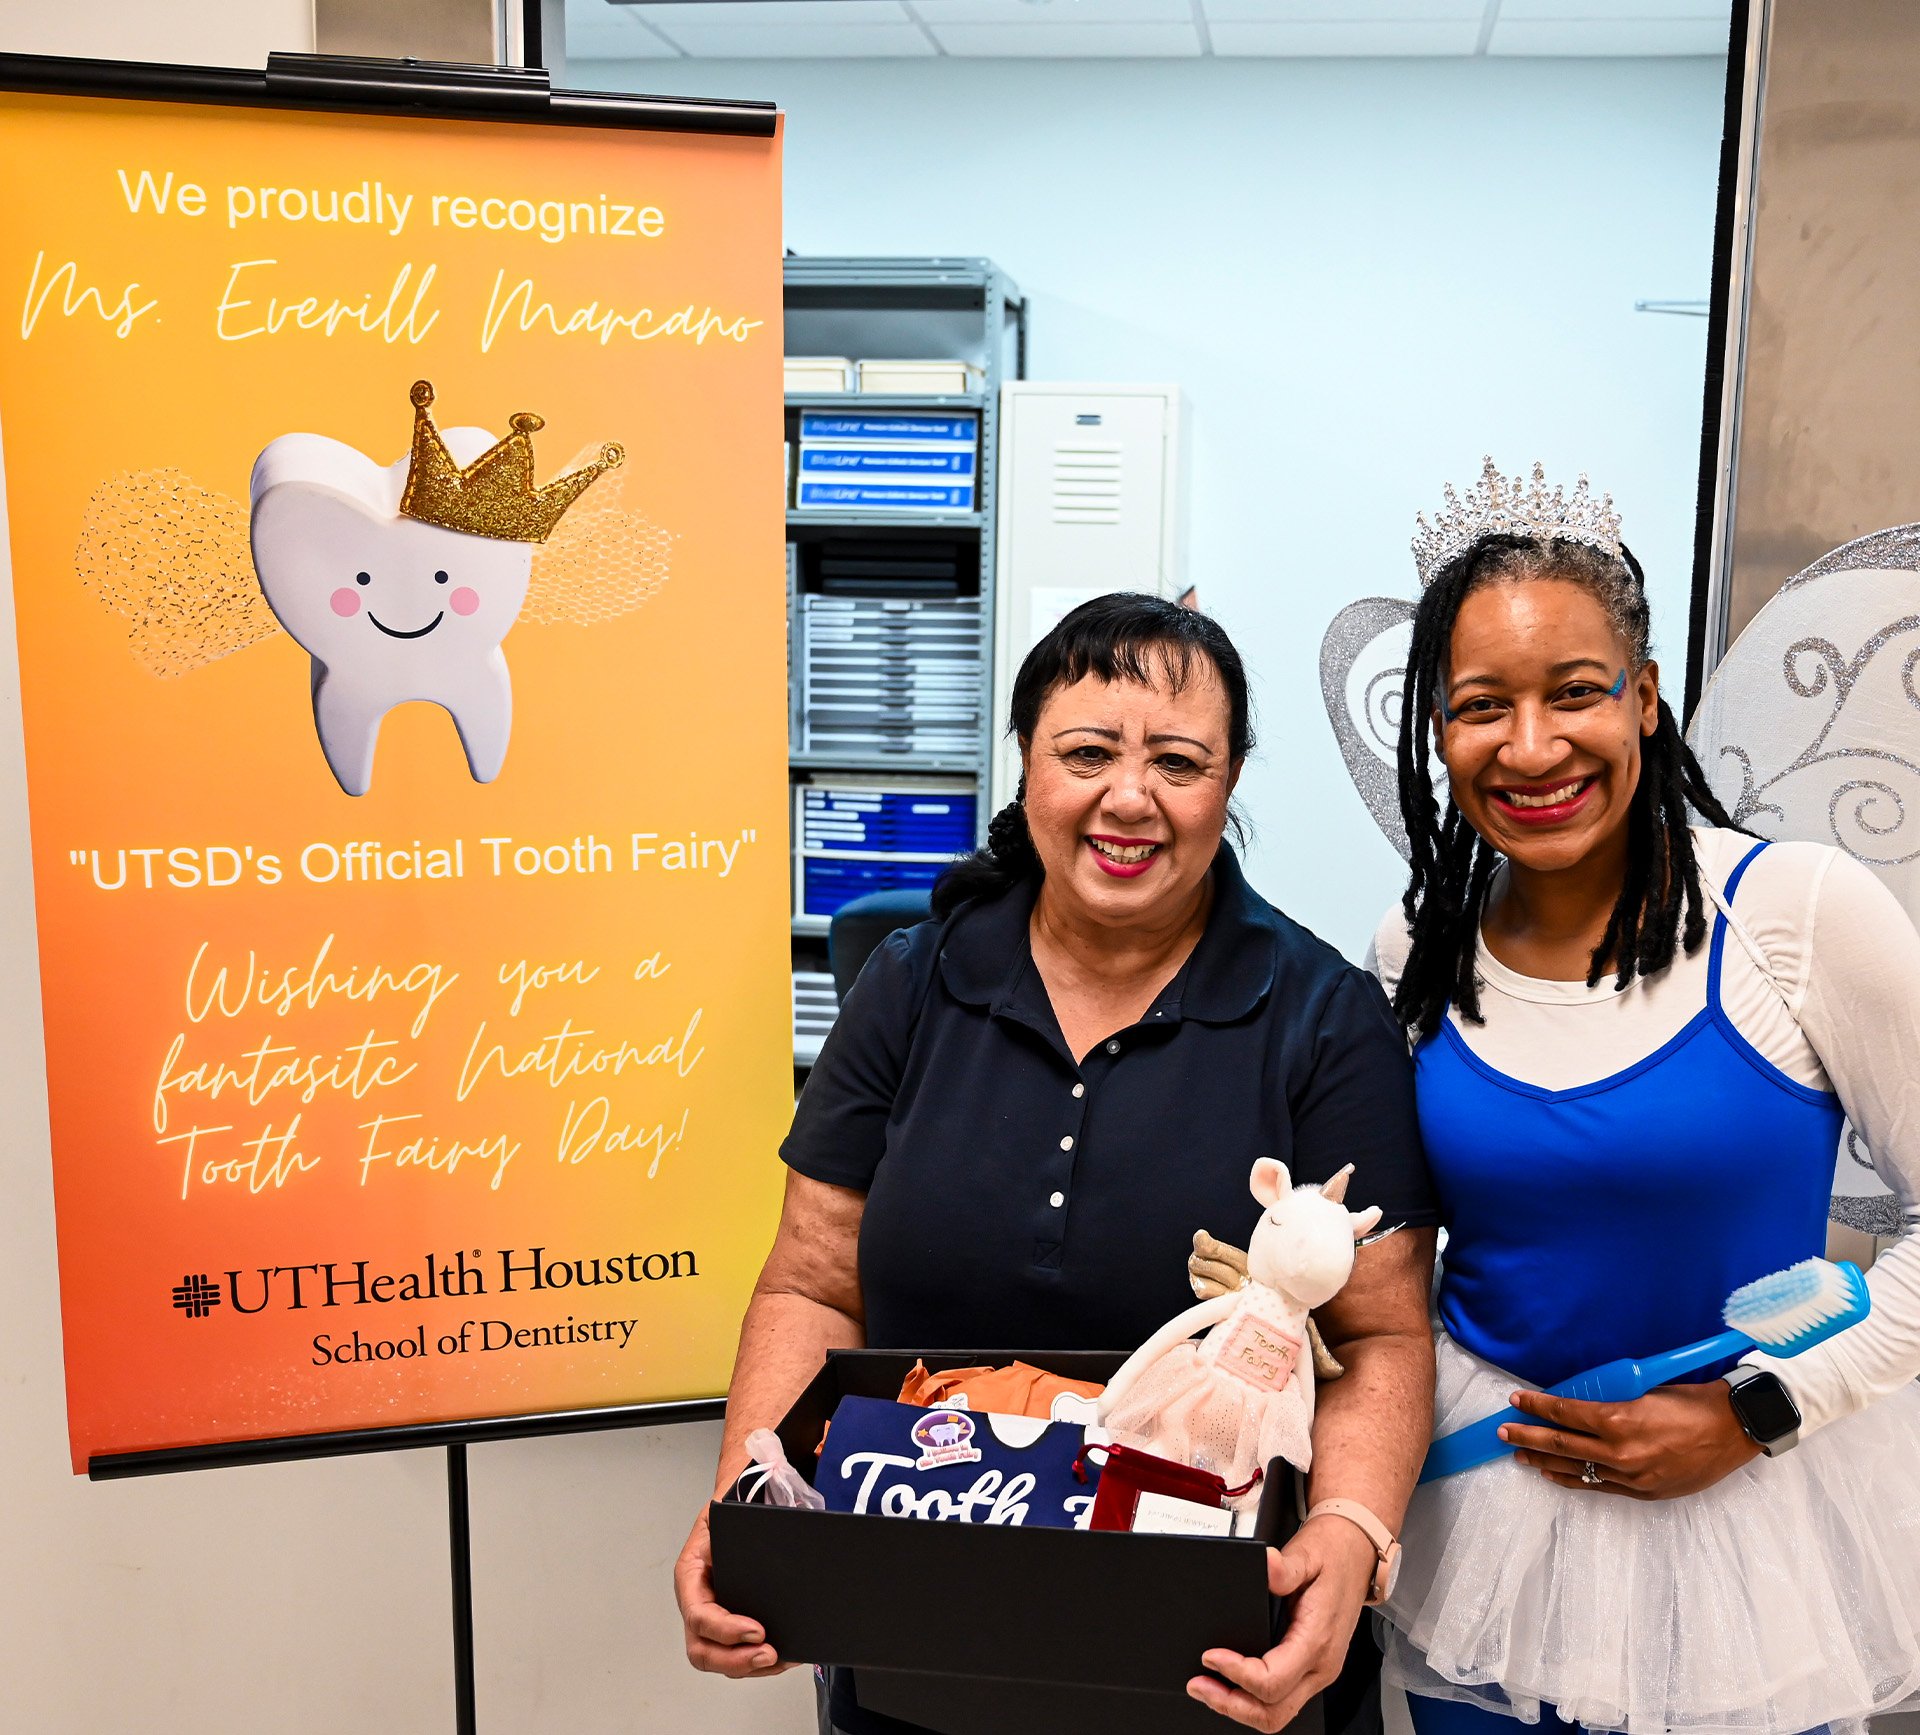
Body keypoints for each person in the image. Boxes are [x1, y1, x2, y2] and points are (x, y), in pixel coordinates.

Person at [674, 593, 1442, 1734]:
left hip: (1215, 1665)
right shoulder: (913, 983)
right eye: (1086, 752)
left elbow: (1383, 1334)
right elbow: (813, 1282)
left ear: (1228, 786)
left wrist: (1347, 1530)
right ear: (1028, 763)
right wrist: (752, 1494)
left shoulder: (1321, 1018)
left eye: (1178, 761)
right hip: (923, 1652)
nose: (1128, 797)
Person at [1371, 460, 1920, 1735]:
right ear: (1438, 732)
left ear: (1646, 696)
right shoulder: (1417, 948)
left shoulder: (1794, 914)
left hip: (1744, 1520)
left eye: (1575, 692)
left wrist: (1761, 1409)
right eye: (1479, 707)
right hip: (1488, 1525)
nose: (1530, 747)